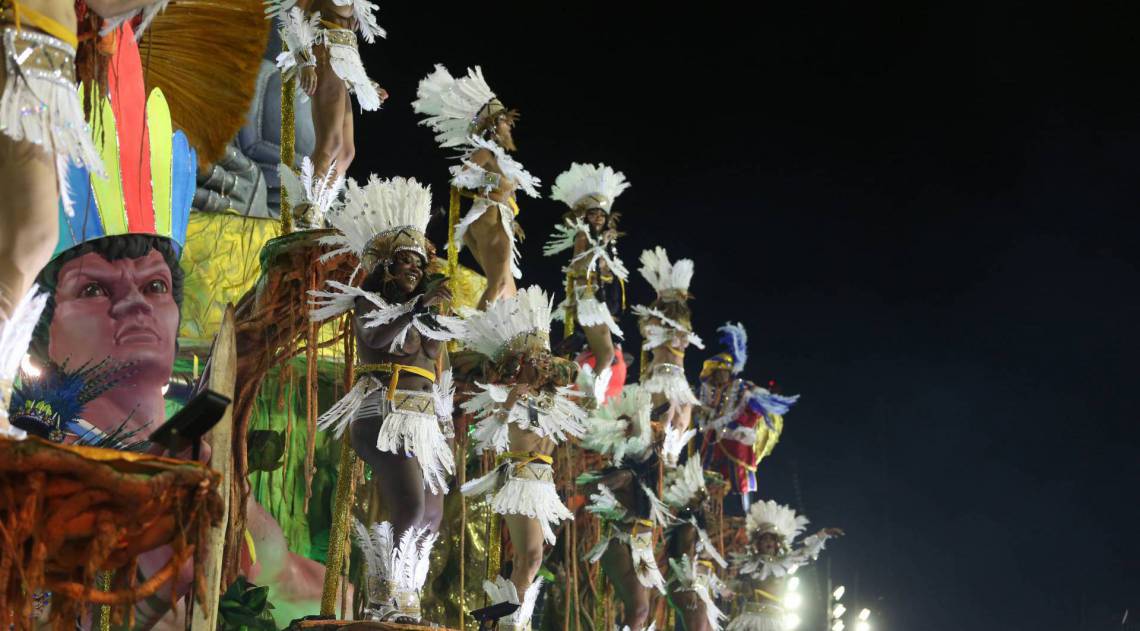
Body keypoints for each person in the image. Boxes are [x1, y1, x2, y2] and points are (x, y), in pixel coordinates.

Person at [0, 0, 169, 435]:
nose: (134, 307)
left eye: (156, 286)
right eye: (93, 288)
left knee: (31, 236)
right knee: (32, 235)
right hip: (27, 32)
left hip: (34, 38)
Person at [309, 175, 464, 622]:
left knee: (433, 514)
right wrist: (417, 311)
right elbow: (381, 336)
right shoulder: (367, 302)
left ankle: (408, 597)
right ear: (385, 268)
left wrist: (446, 433)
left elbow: (441, 375)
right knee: (411, 506)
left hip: (424, 422)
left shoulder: (428, 311)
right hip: (382, 413)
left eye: (419, 264)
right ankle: (382, 595)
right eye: (404, 263)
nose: (414, 269)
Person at [459, 286, 586, 631]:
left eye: (545, 360)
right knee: (528, 559)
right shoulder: (507, 395)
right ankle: (508, 624)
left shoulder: (553, 396)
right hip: (519, 479)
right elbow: (490, 437)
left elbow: (573, 372)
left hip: (544, 484)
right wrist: (511, 401)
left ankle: (495, 622)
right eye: (537, 360)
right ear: (522, 364)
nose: (545, 365)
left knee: (529, 562)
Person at [413, 64, 540, 309]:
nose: (510, 126)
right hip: (488, 218)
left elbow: (502, 192)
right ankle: (475, 338)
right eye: (506, 121)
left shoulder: (498, 157)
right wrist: (496, 181)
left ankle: (498, 337)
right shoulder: (484, 151)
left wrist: (512, 218)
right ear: (493, 125)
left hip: (498, 218)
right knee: (499, 285)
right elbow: (461, 177)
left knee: (509, 291)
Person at [272, 0, 388, 228]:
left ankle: (317, 207)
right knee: (332, 143)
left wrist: (364, 82)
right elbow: (292, 16)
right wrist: (305, 62)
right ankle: (307, 210)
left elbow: (346, 43)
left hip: (341, 63)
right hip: (323, 55)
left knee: (346, 153)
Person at [577, 384, 671, 631]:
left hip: (641, 542)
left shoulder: (643, 475)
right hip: (618, 540)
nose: (655, 448)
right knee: (638, 609)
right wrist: (619, 513)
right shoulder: (625, 474)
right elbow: (589, 490)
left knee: (642, 611)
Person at [545, 162, 631, 402]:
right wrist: (601, 246)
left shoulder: (603, 241)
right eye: (594, 213)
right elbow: (578, 266)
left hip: (600, 304)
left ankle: (590, 393)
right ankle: (589, 396)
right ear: (586, 216)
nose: (599, 218)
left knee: (607, 354)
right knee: (605, 354)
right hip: (588, 301)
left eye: (602, 214)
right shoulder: (584, 236)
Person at [697, 323, 798, 516]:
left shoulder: (742, 387)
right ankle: (705, 512)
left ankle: (744, 514)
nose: (720, 376)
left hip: (736, 441)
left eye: (723, 372)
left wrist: (741, 425)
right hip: (712, 442)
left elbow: (754, 407)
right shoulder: (706, 393)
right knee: (707, 477)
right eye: (717, 372)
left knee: (739, 479)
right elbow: (700, 415)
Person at [726, 501, 842, 631]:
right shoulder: (749, 563)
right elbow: (731, 580)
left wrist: (824, 534)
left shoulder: (784, 562)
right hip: (751, 620)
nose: (768, 542)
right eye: (764, 539)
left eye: (771, 539)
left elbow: (806, 552)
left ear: (778, 544)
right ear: (758, 544)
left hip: (776, 622)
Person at [632, 247, 704, 440]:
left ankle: (670, 462)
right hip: (660, 374)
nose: (682, 301)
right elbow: (646, 331)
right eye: (679, 296)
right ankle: (657, 459)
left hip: (679, 376)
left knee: (682, 421)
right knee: (666, 417)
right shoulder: (655, 317)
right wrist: (667, 332)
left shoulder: (683, 323)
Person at [661, 455, 729, 631]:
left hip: (692, 585)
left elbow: (698, 565)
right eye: (705, 504)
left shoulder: (694, 529)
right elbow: (686, 558)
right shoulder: (688, 528)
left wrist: (719, 587)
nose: (709, 507)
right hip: (686, 585)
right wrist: (689, 586)